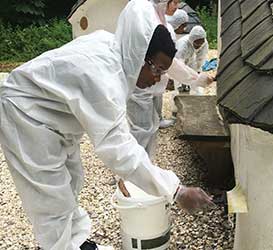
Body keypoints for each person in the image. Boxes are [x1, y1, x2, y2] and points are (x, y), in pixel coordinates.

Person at [0, 1, 213, 249]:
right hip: (25, 114)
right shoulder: (104, 79)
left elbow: (165, 65)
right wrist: (176, 190)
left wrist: (191, 76)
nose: (157, 78)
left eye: (162, 73)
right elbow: (119, 150)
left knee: (71, 181)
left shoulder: (114, 47)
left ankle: (78, 242)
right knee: (50, 197)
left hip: (55, 116)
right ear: (140, 55)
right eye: (156, 70)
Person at [127, 0, 213, 159]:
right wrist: (196, 79)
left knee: (150, 128)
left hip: (151, 84)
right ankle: (131, 176)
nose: (177, 6)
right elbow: (167, 62)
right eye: (174, 2)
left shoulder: (158, 16)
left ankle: (143, 170)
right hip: (141, 86)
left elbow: (169, 62)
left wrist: (197, 78)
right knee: (142, 130)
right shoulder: (142, 13)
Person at [176, 25, 209, 95]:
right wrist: (184, 78)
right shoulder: (182, 45)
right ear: (192, 40)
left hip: (191, 60)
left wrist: (198, 71)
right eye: (197, 43)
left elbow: (200, 59)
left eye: (201, 43)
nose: (199, 45)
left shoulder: (204, 43)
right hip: (180, 62)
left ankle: (198, 98)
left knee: (197, 85)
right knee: (180, 87)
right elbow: (179, 64)